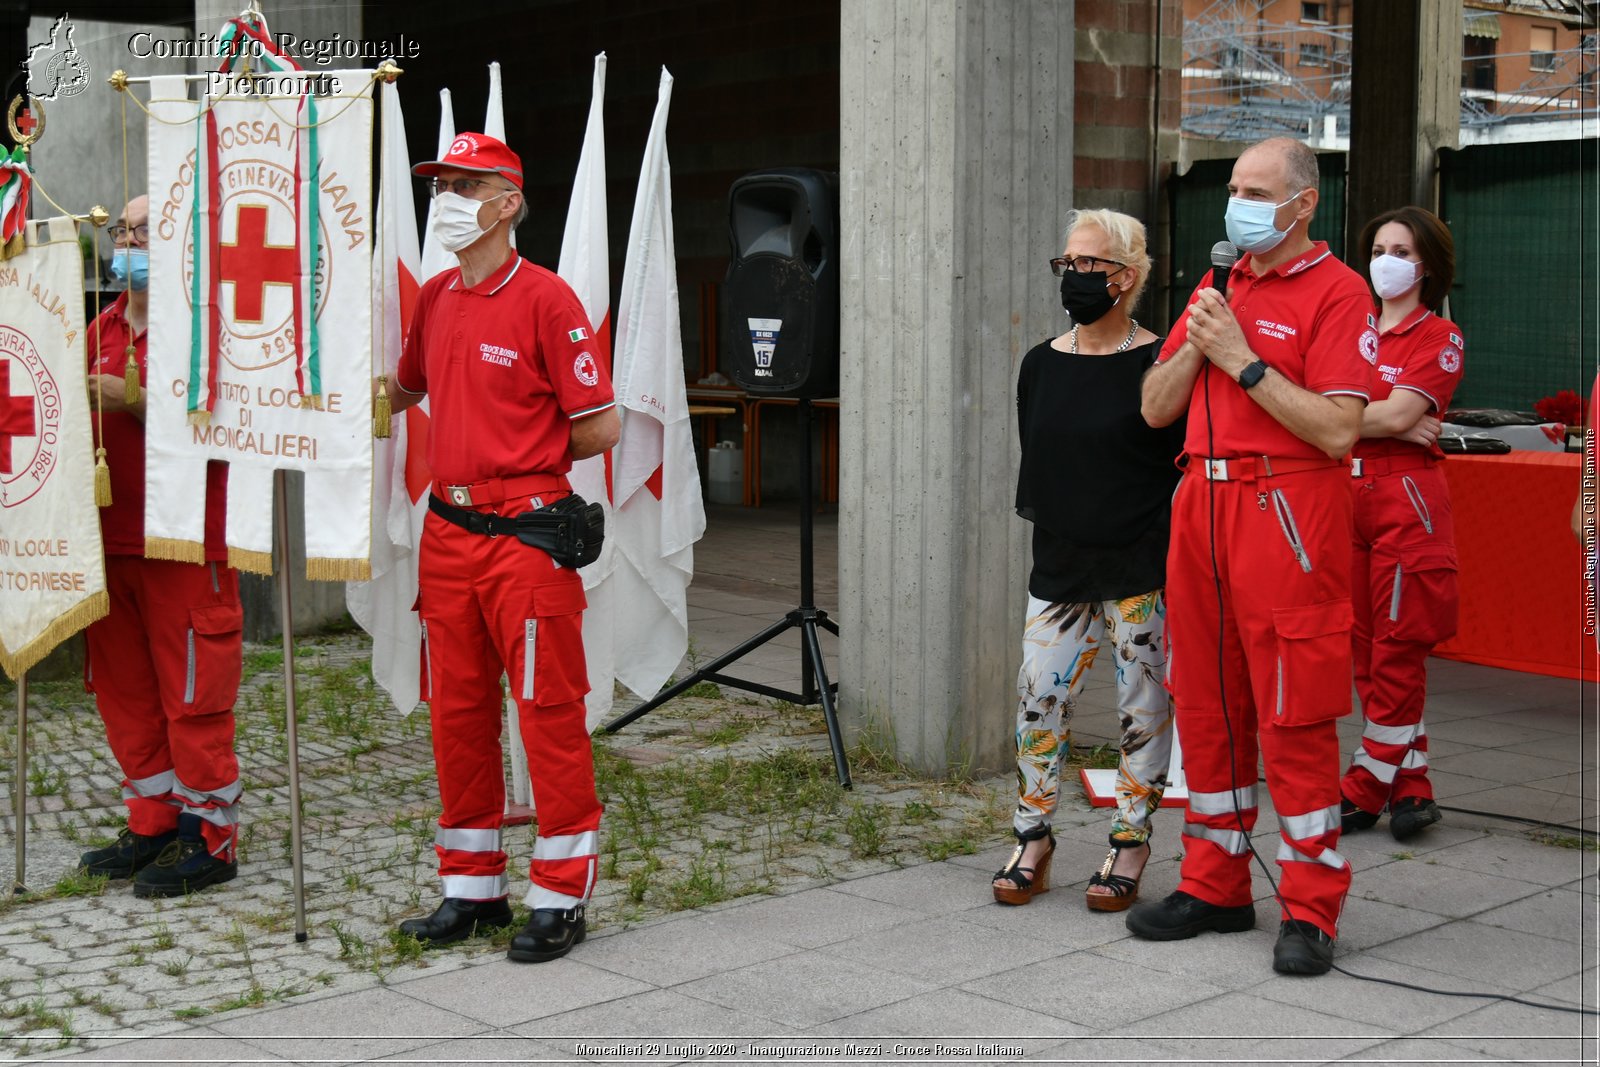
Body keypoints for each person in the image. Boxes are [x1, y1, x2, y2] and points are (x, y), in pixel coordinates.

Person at [1128, 137, 1375, 977]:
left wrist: (1241, 358)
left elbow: (1339, 428)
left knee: (1293, 710)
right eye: (1233, 187)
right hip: (1201, 501)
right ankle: (1215, 882)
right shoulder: (1217, 283)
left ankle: (1310, 906)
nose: (1236, 203)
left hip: (1288, 508)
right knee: (1206, 698)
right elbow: (1155, 408)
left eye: (1254, 190)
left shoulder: (1341, 294)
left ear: (1303, 204)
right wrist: (1203, 342)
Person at [384, 133, 619, 964]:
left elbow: (603, 423)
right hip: (446, 538)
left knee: (546, 713)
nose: (446, 195)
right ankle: (471, 888)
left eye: (464, 183)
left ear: (508, 202)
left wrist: (522, 465)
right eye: (441, 182)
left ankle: (560, 893)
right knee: (456, 712)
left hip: (524, 536)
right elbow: (404, 388)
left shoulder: (549, 299)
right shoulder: (439, 296)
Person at [993, 208, 1182, 913]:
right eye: (1066, 264)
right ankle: (1032, 835)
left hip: (1139, 565)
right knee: (1038, 695)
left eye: (1089, 266)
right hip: (1061, 563)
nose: (1073, 277)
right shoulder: (1040, 363)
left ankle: (1130, 840)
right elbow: (1038, 460)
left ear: (1126, 278)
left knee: (1144, 705)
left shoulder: (1161, 361)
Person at [77, 195, 245, 898]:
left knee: (192, 693)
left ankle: (210, 833)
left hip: (183, 537)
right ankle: (152, 822)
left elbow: (223, 423)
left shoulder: (205, 328)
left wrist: (134, 398)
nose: (125, 240)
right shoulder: (99, 327)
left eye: (141, 230)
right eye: (120, 230)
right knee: (126, 692)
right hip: (113, 543)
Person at [1338, 207, 1463, 842]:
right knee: (1364, 651)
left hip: (1406, 501)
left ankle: (1365, 783)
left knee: (1398, 648)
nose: (1386, 259)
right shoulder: (1350, 327)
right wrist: (1380, 416)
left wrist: (1347, 416)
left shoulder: (1439, 336)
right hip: (1347, 498)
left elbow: (1393, 417)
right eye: (1379, 246)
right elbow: (1380, 416)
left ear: (1428, 267)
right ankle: (1411, 786)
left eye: (1403, 251)